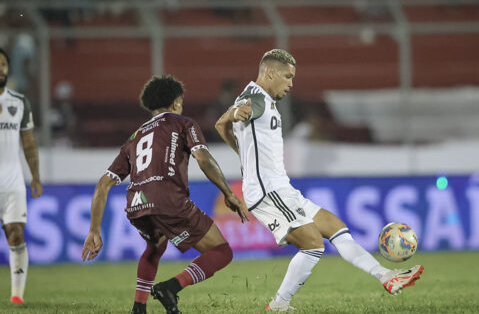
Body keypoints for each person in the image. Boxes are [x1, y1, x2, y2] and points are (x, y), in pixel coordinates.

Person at [215, 49, 424, 311]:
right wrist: (239, 112)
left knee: (336, 228)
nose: (291, 84)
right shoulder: (255, 99)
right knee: (313, 245)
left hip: (282, 188)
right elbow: (238, 112)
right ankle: (279, 304)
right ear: (269, 73)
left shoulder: (259, 98)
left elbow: (219, 124)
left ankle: (386, 276)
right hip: (268, 192)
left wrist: (242, 151)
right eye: (287, 77)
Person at [82, 75, 249, 314]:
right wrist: (227, 193)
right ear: (176, 102)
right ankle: (171, 287)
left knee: (155, 247)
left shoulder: (134, 138)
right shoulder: (183, 123)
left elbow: (102, 185)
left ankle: (139, 307)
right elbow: (203, 159)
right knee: (222, 252)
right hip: (168, 199)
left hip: (137, 206)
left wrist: (94, 230)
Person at [0, 47, 43, 304]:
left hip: (12, 182)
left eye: (4, 64)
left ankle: (17, 295)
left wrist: (35, 176)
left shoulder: (19, 102)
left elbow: (28, 143)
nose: (1, 69)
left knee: (16, 234)